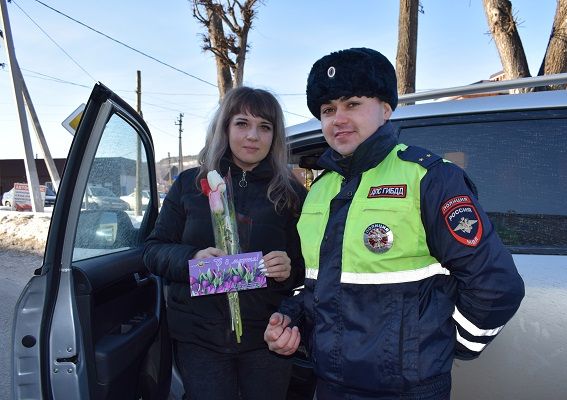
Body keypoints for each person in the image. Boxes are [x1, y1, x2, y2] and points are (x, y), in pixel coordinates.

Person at [264, 48, 525, 400]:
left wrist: (449, 344)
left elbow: (497, 286)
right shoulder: (319, 191)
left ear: (386, 109)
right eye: (328, 110)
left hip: (406, 390)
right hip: (330, 383)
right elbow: (315, 282)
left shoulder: (430, 178)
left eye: (352, 104)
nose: (338, 118)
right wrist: (291, 319)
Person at [144, 86, 306, 400]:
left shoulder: (291, 195)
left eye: (265, 127)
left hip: (266, 339)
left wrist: (289, 268)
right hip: (199, 341)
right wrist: (192, 259)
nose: (253, 136)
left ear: (275, 135)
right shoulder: (190, 184)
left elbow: (309, 268)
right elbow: (153, 250)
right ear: (226, 127)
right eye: (242, 124)